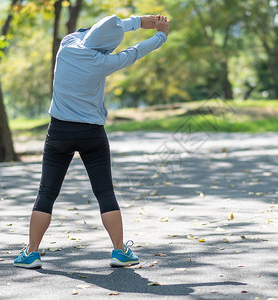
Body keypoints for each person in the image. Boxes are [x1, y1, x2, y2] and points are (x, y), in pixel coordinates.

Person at [13, 14, 169, 269]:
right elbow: (135, 51)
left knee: (46, 193)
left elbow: (90, 30)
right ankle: (119, 251)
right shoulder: (103, 62)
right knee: (105, 192)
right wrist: (160, 35)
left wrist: (138, 21)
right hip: (92, 134)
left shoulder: (67, 44)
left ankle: (31, 253)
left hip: (59, 133)